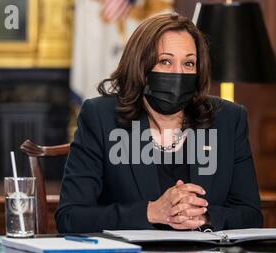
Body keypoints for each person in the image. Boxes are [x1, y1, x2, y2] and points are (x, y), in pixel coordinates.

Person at [56, 13, 262, 233]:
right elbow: (71, 218)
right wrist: (152, 211)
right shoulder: (101, 117)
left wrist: (203, 216)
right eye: (165, 61)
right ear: (141, 67)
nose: (178, 73)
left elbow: (251, 215)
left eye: (189, 63)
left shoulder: (228, 119)